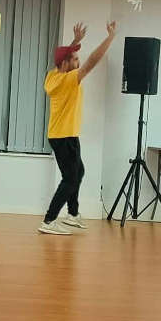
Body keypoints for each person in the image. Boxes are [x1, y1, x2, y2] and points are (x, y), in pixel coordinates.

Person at [38, 21, 117, 235]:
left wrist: (75, 42)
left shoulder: (53, 76)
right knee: (71, 178)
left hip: (63, 135)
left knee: (77, 172)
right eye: (74, 59)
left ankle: (72, 214)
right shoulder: (69, 80)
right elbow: (92, 61)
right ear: (66, 64)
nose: (78, 61)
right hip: (64, 136)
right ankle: (49, 221)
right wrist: (110, 37)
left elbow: (63, 59)